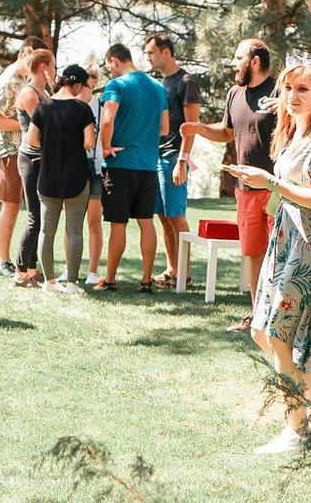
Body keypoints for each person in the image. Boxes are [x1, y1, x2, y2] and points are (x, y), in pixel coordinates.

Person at [228, 60, 311, 453]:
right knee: (261, 330)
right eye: (288, 89)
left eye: (303, 90)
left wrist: (271, 183)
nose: (293, 97)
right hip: (289, 240)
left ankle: (298, 431)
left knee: (278, 336)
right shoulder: (295, 130)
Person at [179, 37, 277, 330]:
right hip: (245, 191)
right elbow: (226, 132)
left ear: (255, 61)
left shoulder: (280, 91)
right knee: (254, 254)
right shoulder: (235, 93)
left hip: (277, 189)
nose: (233, 64)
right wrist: (198, 128)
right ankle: (257, 318)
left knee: (279, 254)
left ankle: (280, 320)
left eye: (238, 58)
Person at [96, 42, 168, 291]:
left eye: (109, 66)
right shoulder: (158, 87)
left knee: (118, 223)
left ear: (114, 60)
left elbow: (107, 120)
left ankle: (110, 280)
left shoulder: (116, 85)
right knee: (146, 221)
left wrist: (106, 147)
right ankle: (146, 280)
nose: (110, 71)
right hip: (148, 165)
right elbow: (164, 128)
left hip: (121, 164)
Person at [0, 36, 49, 277]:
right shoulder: (10, 79)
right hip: (8, 151)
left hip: (24, 150)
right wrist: (27, 125)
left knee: (25, 207)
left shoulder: (27, 80)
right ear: (26, 53)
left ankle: (25, 261)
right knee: (11, 205)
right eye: (37, 59)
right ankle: (2, 261)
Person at [29, 64, 97, 293]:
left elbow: (32, 140)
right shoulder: (82, 109)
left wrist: (50, 143)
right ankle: (72, 284)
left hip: (48, 176)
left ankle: (49, 282)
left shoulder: (43, 107)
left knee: (46, 231)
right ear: (77, 84)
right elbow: (89, 142)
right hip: (76, 176)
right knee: (74, 231)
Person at [147, 34, 202, 287]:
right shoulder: (161, 83)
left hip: (174, 157)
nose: (148, 57)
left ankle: (184, 274)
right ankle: (172, 269)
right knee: (163, 215)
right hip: (157, 157)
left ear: (166, 52)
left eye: (151, 52)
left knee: (177, 215)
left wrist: (182, 160)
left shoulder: (186, 82)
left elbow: (192, 126)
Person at [11, 49, 57, 288]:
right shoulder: (29, 93)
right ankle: (20, 272)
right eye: (53, 65)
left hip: (43, 158)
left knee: (40, 216)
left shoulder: (44, 92)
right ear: (43, 67)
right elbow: (47, 125)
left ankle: (31, 269)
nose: (55, 70)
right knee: (34, 216)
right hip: (30, 159)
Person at [82, 66, 106, 285]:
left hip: (96, 168)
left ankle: (93, 270)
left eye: (90, 82)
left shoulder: (101, 106)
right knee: (73, 222)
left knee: (94, 221)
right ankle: (70, 268)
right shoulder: (71, 104)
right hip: (75, 169)